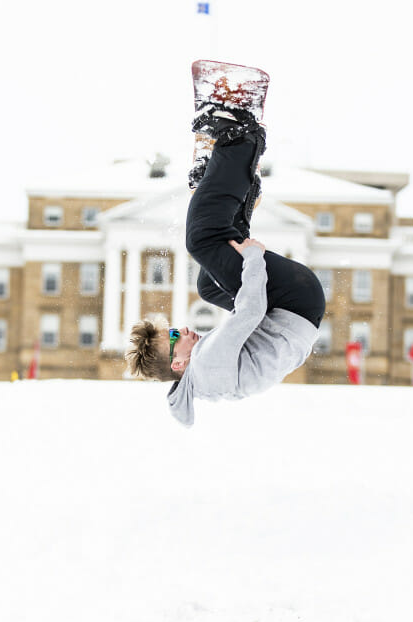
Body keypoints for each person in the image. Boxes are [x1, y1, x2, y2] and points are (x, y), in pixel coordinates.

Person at [125, 97, 326, 426]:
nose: (183, 330)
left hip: (296, 314)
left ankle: (234, 186)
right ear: (179, 364)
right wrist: (253, 258)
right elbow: (249, 311)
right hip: (295, 302)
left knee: (207, 286)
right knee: (202, 239)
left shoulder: (202, 377)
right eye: (174, 337)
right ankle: (239, 137)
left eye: (173, 330)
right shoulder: (208, 365)